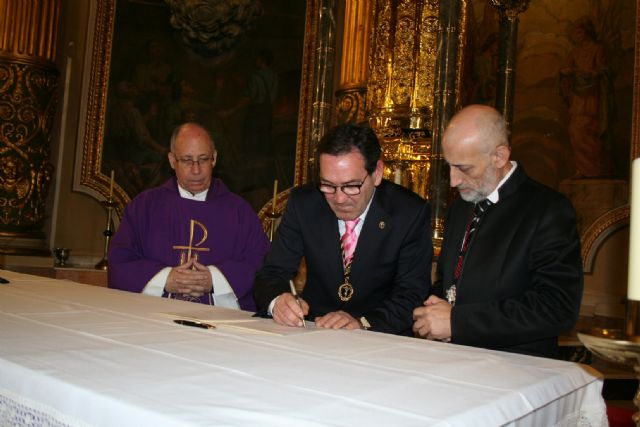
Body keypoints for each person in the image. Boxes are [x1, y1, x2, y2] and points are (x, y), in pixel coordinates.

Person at [412, 105, 583, 358]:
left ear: (499, 157)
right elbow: (448, 282)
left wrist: (458, 322)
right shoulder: (460, 207)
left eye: (464, 168)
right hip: (452, 359)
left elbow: (557, 307)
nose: (453, 180)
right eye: (449, 166)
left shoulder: (547, 209)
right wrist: (433, 309)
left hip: (517, 365)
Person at [253, 124, 432, 336]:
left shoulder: (408, 213)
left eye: (351, 186)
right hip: (313, 329)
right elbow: (271, 272)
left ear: (376, 173)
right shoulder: (304, 203)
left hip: (379, 335)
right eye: (328, 185)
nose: (339, 198)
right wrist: (278, 301)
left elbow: (411, 293)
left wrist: (362, 323)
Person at [108, 123, 270, 310]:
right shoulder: (143, 207)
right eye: (186, 160)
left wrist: (216, 280)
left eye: (203, 159)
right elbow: (120, 263)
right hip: (154, 320)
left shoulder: (239, 211)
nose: (196, 170)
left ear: (214, 159)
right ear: (172, 161)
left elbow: (262, 263)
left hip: (221, 323)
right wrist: (164, 279)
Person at [559, 17, 614, 178]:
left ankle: (596, 170)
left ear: (587, 31)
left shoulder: (597, 49)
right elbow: (564, 68)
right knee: (575, 132)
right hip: (578, 96)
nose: (578, 35)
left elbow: (605, 71)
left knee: (589, 131)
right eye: (576, 32)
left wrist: (589, 74)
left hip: (593, 98)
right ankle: (582, 169)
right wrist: (566, 72)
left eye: (580, 31)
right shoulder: (575, 52)